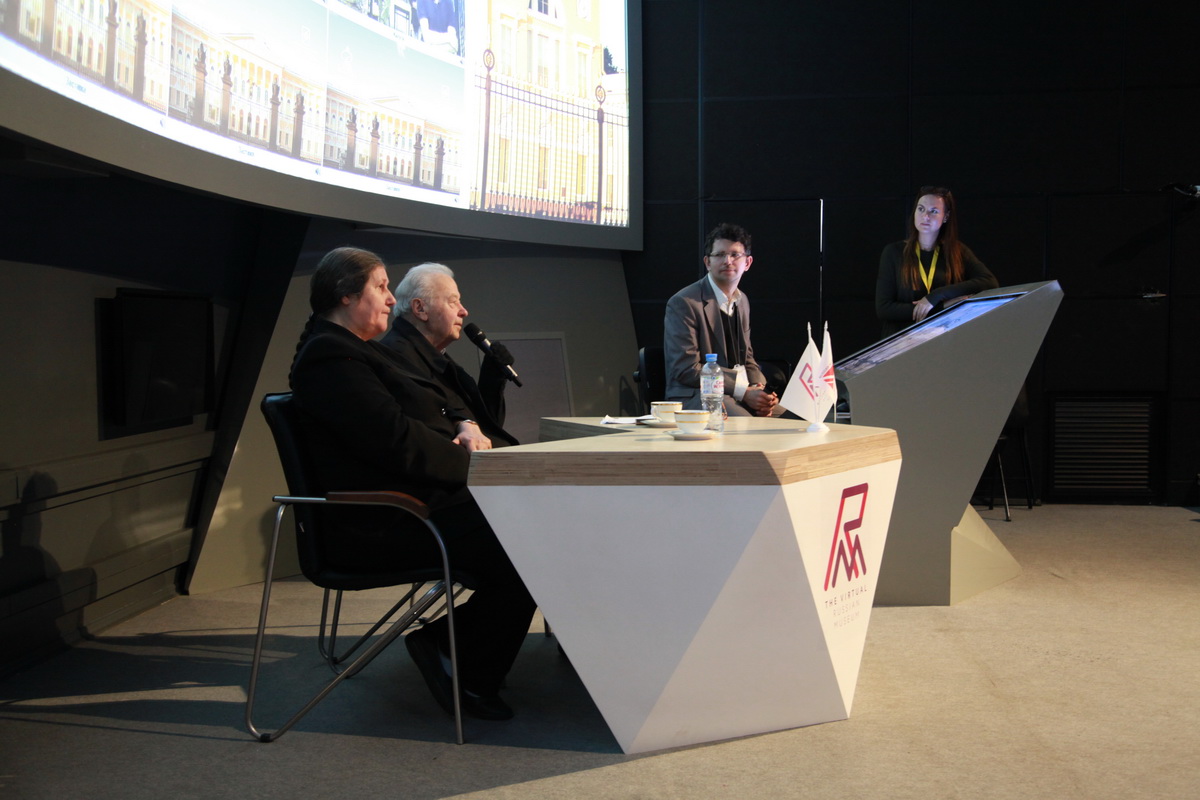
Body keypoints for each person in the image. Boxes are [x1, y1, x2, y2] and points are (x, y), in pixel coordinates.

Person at [288, 246, 535, 721]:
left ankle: (460, 648)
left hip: (413, 505)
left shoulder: (353, 351)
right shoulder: (330, 357)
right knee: (530, 545)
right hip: (382, 522)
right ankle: (452, 653)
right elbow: (398, 443)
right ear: (345, 295)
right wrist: (480, 469)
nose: (390, 299)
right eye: (381, 287)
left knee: (533, 533)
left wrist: (464, 425)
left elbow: (427, 409)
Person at [381, 262, 518, 448]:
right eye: (453, 302)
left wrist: (492, 378)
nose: (463, 311)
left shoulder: (434, 355)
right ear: (420, 308)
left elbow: (486, 428)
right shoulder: (397, 356)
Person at [664, 222, 780, 416]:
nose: (728, 261)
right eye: (719, 255)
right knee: (749, 425)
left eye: (735, 255)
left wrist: (760, 391)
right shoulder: (684, 303)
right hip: (699, 396)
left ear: (748, 263)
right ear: (707, 262)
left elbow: (748, 359)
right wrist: (743, 392)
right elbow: (685, 369)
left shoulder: (742, 301)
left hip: (737, 394)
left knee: (796, 420)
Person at [875, 186, 999, 338]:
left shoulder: (957, 251)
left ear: (945, 217)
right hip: (902, 342)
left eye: (933, 211)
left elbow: (990, 282)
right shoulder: (894, 252)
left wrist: (937, 295)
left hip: (944, 341)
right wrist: (942, 306)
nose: (925, 216)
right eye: (921, 209)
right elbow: (884, 309)